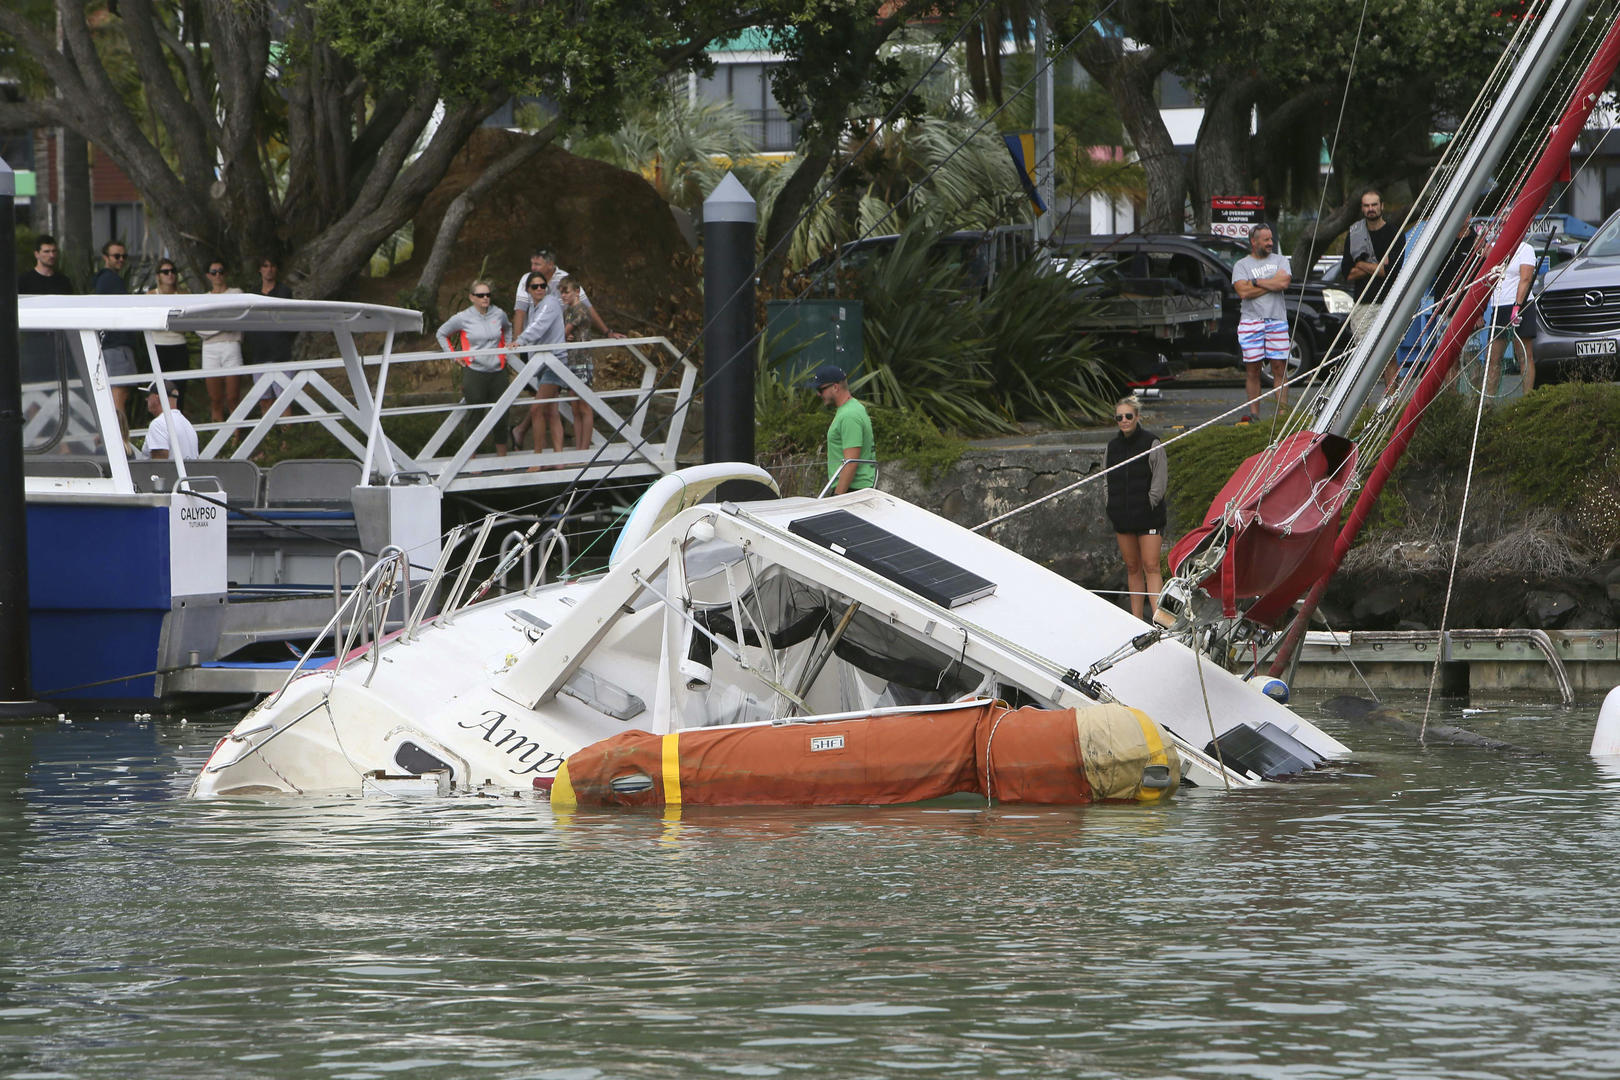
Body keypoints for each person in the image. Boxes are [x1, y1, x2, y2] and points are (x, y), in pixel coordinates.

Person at [1104, 395, 1167, 621]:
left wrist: (1147, 504)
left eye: (1128, 416)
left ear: (1137, 417)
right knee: (1132, 567)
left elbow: (1159, 483)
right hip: (1122, 518)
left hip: (1149, 518)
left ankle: (1159, 620)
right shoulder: (1112, 447)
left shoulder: (1152, 443)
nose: (1124, 420)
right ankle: (1137, 620)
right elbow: (1106, 480)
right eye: (1119, 417)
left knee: (1151, 566)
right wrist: (1111, 506)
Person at [436, 279, 513, 457]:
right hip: (474, 371)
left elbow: (508, 329)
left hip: (498, 371)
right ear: (472, 297)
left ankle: (503, 457)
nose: (485, 298)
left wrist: (506, 351)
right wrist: (454, 356)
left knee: (502, 413)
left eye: (488, 295)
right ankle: (471, 457)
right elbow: (441, 333)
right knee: (475, 414)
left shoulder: (498, 314)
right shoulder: (463, 317)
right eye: (480, 295)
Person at [1231, 224, 1292, 423]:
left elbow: (1283, 283)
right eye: (1266, 240)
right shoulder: (1241, 265)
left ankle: (1281, 415)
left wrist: (1255, 282)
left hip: (1277, 320)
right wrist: (1269, 284)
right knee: (1253, 369)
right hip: (1250, 322)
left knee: (1279, 368)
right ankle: (1254, 415)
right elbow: (1243, 292)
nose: (1270, 243)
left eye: (1271, 239)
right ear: (1253, 241)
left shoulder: (1281, 260)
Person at [513, 273, 569, 460]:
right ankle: (559, 458)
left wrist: (519, 340)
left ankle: (538, 458)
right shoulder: (534, 307)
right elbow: (535, 327)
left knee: (537, 409)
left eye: (542, 286)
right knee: (551, 411)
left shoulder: (550, 303)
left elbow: (538, 327)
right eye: (535, 286)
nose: (539, 289)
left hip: (554, 363)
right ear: (528, 290)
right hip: (543, 364)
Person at [92, 240, 140, 427]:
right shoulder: (109, 279)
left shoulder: (106, 280)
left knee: (116, 395)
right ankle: (120, 442)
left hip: (112, 345)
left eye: (124, 256)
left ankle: (114, 438)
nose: (121, 260)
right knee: (118, 396)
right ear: (105, 258)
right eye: (116, 256)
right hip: (116, 345)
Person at [1485, 235, 1538, 398]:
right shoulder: (1494, 247)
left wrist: (1517, 305)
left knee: (1523, 355)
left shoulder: (1526, 248)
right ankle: (1489, 400)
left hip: (1521, 305)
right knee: (1493, 357)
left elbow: (1526, 278)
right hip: (1499, 306)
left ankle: (1527, 399)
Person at [18, 235, 74, 388]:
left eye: (54, 251)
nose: (51, 255)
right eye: (46, 251)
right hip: (34, 342)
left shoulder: (63, 281)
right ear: (37, 254)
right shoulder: (24, 281)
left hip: (59, 343)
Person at [243, 255, 296, 415]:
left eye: (272, 265)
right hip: (259, 354)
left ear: (276, 269)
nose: (269, 269)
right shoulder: (252, 293)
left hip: (281, 353)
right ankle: (270, 439)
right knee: (264, 400)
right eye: (265, 266)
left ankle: (286, 440)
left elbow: (290, 322)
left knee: (284, 399)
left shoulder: (285, 291)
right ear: (260, 269)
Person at [811, 364, 875, 494]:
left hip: (853, 491)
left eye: (821, 389)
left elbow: (851, 462)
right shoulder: (851, 408)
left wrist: (837, 496)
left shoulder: (849, 415)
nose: (818, 394)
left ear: (835, 387)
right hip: (853, 490)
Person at [196, 259, 245, 422]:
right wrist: (223, 324)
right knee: (215, 399)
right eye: (214, 272)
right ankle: (217, 436)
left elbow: (237, 319)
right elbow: (199, 329)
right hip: (209, 348)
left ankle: (235, 437)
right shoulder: (203, 299)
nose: (218, 275)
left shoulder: (236, 293)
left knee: (233, 397)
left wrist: (213, 323)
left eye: (221, 271)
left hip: (231, 346)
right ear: (208, 275)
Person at [1340, 189, 1405, 304]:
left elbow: (1391, 271)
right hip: (1362, 304)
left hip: (1388, 303)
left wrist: (1359, 264)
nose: (1370, 209)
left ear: (1382, 206)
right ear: (1362, 208)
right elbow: (1348, 274)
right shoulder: (1355, 234)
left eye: (1374, 205)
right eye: (1366, 205)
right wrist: (1379, 265)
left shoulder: (1395, 234)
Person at [146, 259, 192, 407]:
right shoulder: (151, 295)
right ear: (158, 275)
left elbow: (187, 326)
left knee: (179, 391)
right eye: (165, 272)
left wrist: (163, 323)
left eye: (172, 271)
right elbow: (150, 323)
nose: (170, 275)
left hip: (178, 346)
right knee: (156, 391)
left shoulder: (184, 295)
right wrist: (173, 324)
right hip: (158, 347)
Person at [139, 382, 199, 463]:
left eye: (148, 395)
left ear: (157, 398)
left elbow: (160, 465)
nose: (146, 399)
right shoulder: (187, 423)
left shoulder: (158, 424)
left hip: (170, 475)